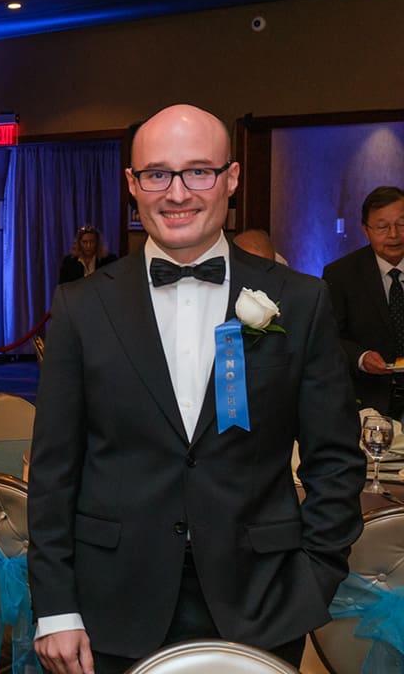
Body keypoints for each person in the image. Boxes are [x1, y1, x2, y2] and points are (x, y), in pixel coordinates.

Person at [28, 104, 364, 674]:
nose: (177, 192)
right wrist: (56, 607)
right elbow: (56, 468)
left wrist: (312, 579)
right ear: (133, 185)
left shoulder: (301, 300)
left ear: (231, 179)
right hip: (111, 600)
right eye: (157, 173)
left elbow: (334, 458)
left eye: (198, 172)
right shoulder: (82, 306)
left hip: (261, 598)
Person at [323, 185, 404, 419]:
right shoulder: (341, 274)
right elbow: (328, 335)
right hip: (369, 400)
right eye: (382, 227)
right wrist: (361, 357)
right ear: (366, 230)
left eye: (401, 224)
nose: (393, 234)